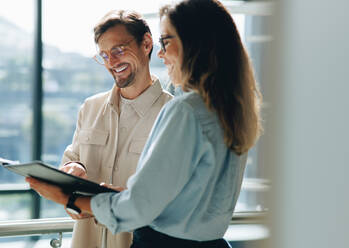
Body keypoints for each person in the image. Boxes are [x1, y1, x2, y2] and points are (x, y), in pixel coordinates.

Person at [26, 0, 262, 247]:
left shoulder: (183, 111)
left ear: (195, 44)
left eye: (167, 42)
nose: (162, 54)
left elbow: (139, 207)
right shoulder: (228, 111)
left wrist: (68, 199)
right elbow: (181, 199)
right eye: (104, 55)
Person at [56, 10, 173, 248]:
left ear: (147, 43)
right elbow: (69, 166)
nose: (112, 62)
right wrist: (72, 170)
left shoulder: (173, 114)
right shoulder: (90, 108)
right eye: (104, 55)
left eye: (119, 50)